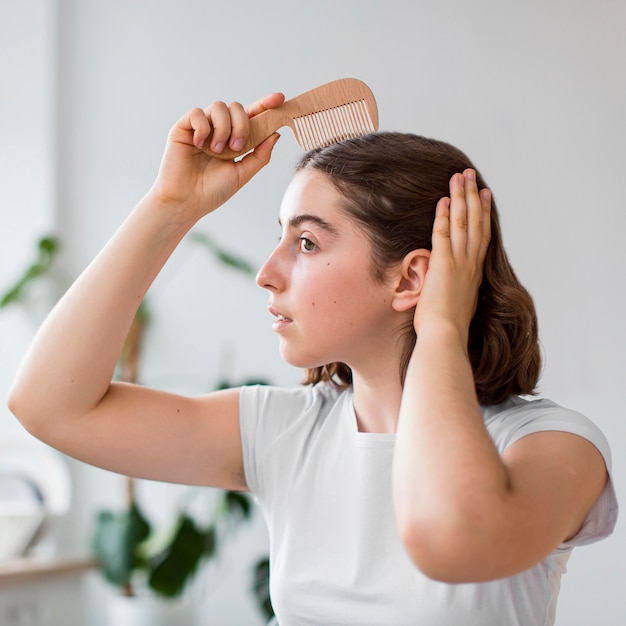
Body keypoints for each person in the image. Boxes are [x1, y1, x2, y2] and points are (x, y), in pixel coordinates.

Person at [8, 92, 617, 625]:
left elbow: (451, 537)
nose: (266, 274)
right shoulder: (286, 431)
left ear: (411, 280)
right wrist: (173, 205)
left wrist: (439, 329)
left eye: (305, 241)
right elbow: (49, 406)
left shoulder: (551, 445)